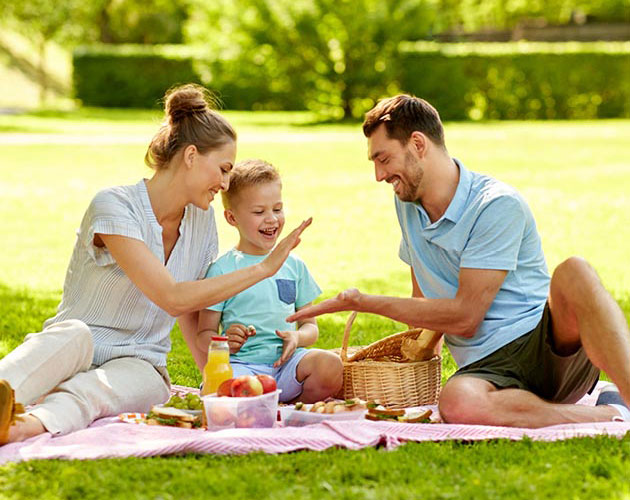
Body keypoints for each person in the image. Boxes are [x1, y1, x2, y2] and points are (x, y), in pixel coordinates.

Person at [288, 94, 630, 428]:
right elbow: (423, 304)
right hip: (488, 370)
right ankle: (609, 414)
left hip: (544, 347)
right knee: (456, 401)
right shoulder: (406, 204)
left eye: (384, 159)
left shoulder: (494, 205)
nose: (379, 175)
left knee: (575, 271)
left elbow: (466, 317)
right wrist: (383, 359)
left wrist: (362, 302)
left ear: (418, 144)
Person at [0, 84, 312, 445]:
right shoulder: (113, 206)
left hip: (140, 363)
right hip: (76, 347)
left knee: (114, 390)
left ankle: (18, 429)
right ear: (192, 155)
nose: (225, 183)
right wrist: (262, 268)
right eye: (223, 169)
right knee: (75, 335)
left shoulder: (201, 222)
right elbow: (172, 297)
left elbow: (190, 310)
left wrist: (215, 385)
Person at [195, 159, 343, 403]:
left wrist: (297, 338)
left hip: (287, 367)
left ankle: (292, 407)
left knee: (330, 365)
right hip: (242, 367)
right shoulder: (222, 269)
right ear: (232, 218)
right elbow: (204, 334)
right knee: (223, 388)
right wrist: (225, 341)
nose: (272, 219)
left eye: (277, 209)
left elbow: (311, 327)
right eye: (258, 212)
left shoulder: (294, 266)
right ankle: (265, 403)